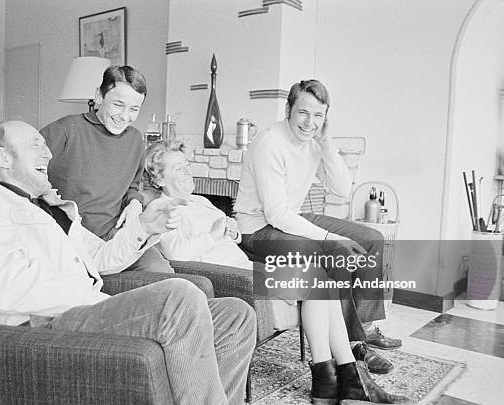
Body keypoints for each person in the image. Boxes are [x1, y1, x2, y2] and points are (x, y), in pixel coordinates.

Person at [0, 121, 256, 405]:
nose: (49, 152)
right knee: (180, 294)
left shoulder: (54, 208)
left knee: (236, 315)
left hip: (90, 309)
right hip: (44, 323)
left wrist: (145, 228)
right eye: (36, 145)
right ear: (2, 157)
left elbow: (101, 259)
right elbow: (5, 288)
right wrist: (94, 300)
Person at [143, 140, 412, 405]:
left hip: (246, 266)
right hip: (229, 277)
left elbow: (233, 235)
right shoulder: (163, 210)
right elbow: (177, 253)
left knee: (323, 280)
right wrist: (215, 233)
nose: (187, 170)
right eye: (178, 168)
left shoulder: (200, 201)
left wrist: (232, 230)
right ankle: (344, 377)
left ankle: (331, 380)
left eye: (186, 164)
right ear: (158, 178)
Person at [234, 79, 402, 361]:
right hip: (257, 230)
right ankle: (353, 347)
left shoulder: (313, 143)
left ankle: (365, 327)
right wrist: (329, 238)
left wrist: (326, 145)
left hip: (289, 218)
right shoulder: (269, 144)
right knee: (337, 251)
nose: (309, 122)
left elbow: (342, 188)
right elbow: (275, 213)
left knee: (372, 239)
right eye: (303, 112)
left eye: (318, 115)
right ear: (288, 109)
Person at [40, 65, 173, 273]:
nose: (125, 116)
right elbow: (21, 173)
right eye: (118, 105)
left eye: (134, 109)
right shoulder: (66, 130)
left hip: (120, 235)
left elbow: (133, 186)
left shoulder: (136, 140)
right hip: (78, 243)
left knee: (166, 277)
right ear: (99, 96)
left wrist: (135, 203)